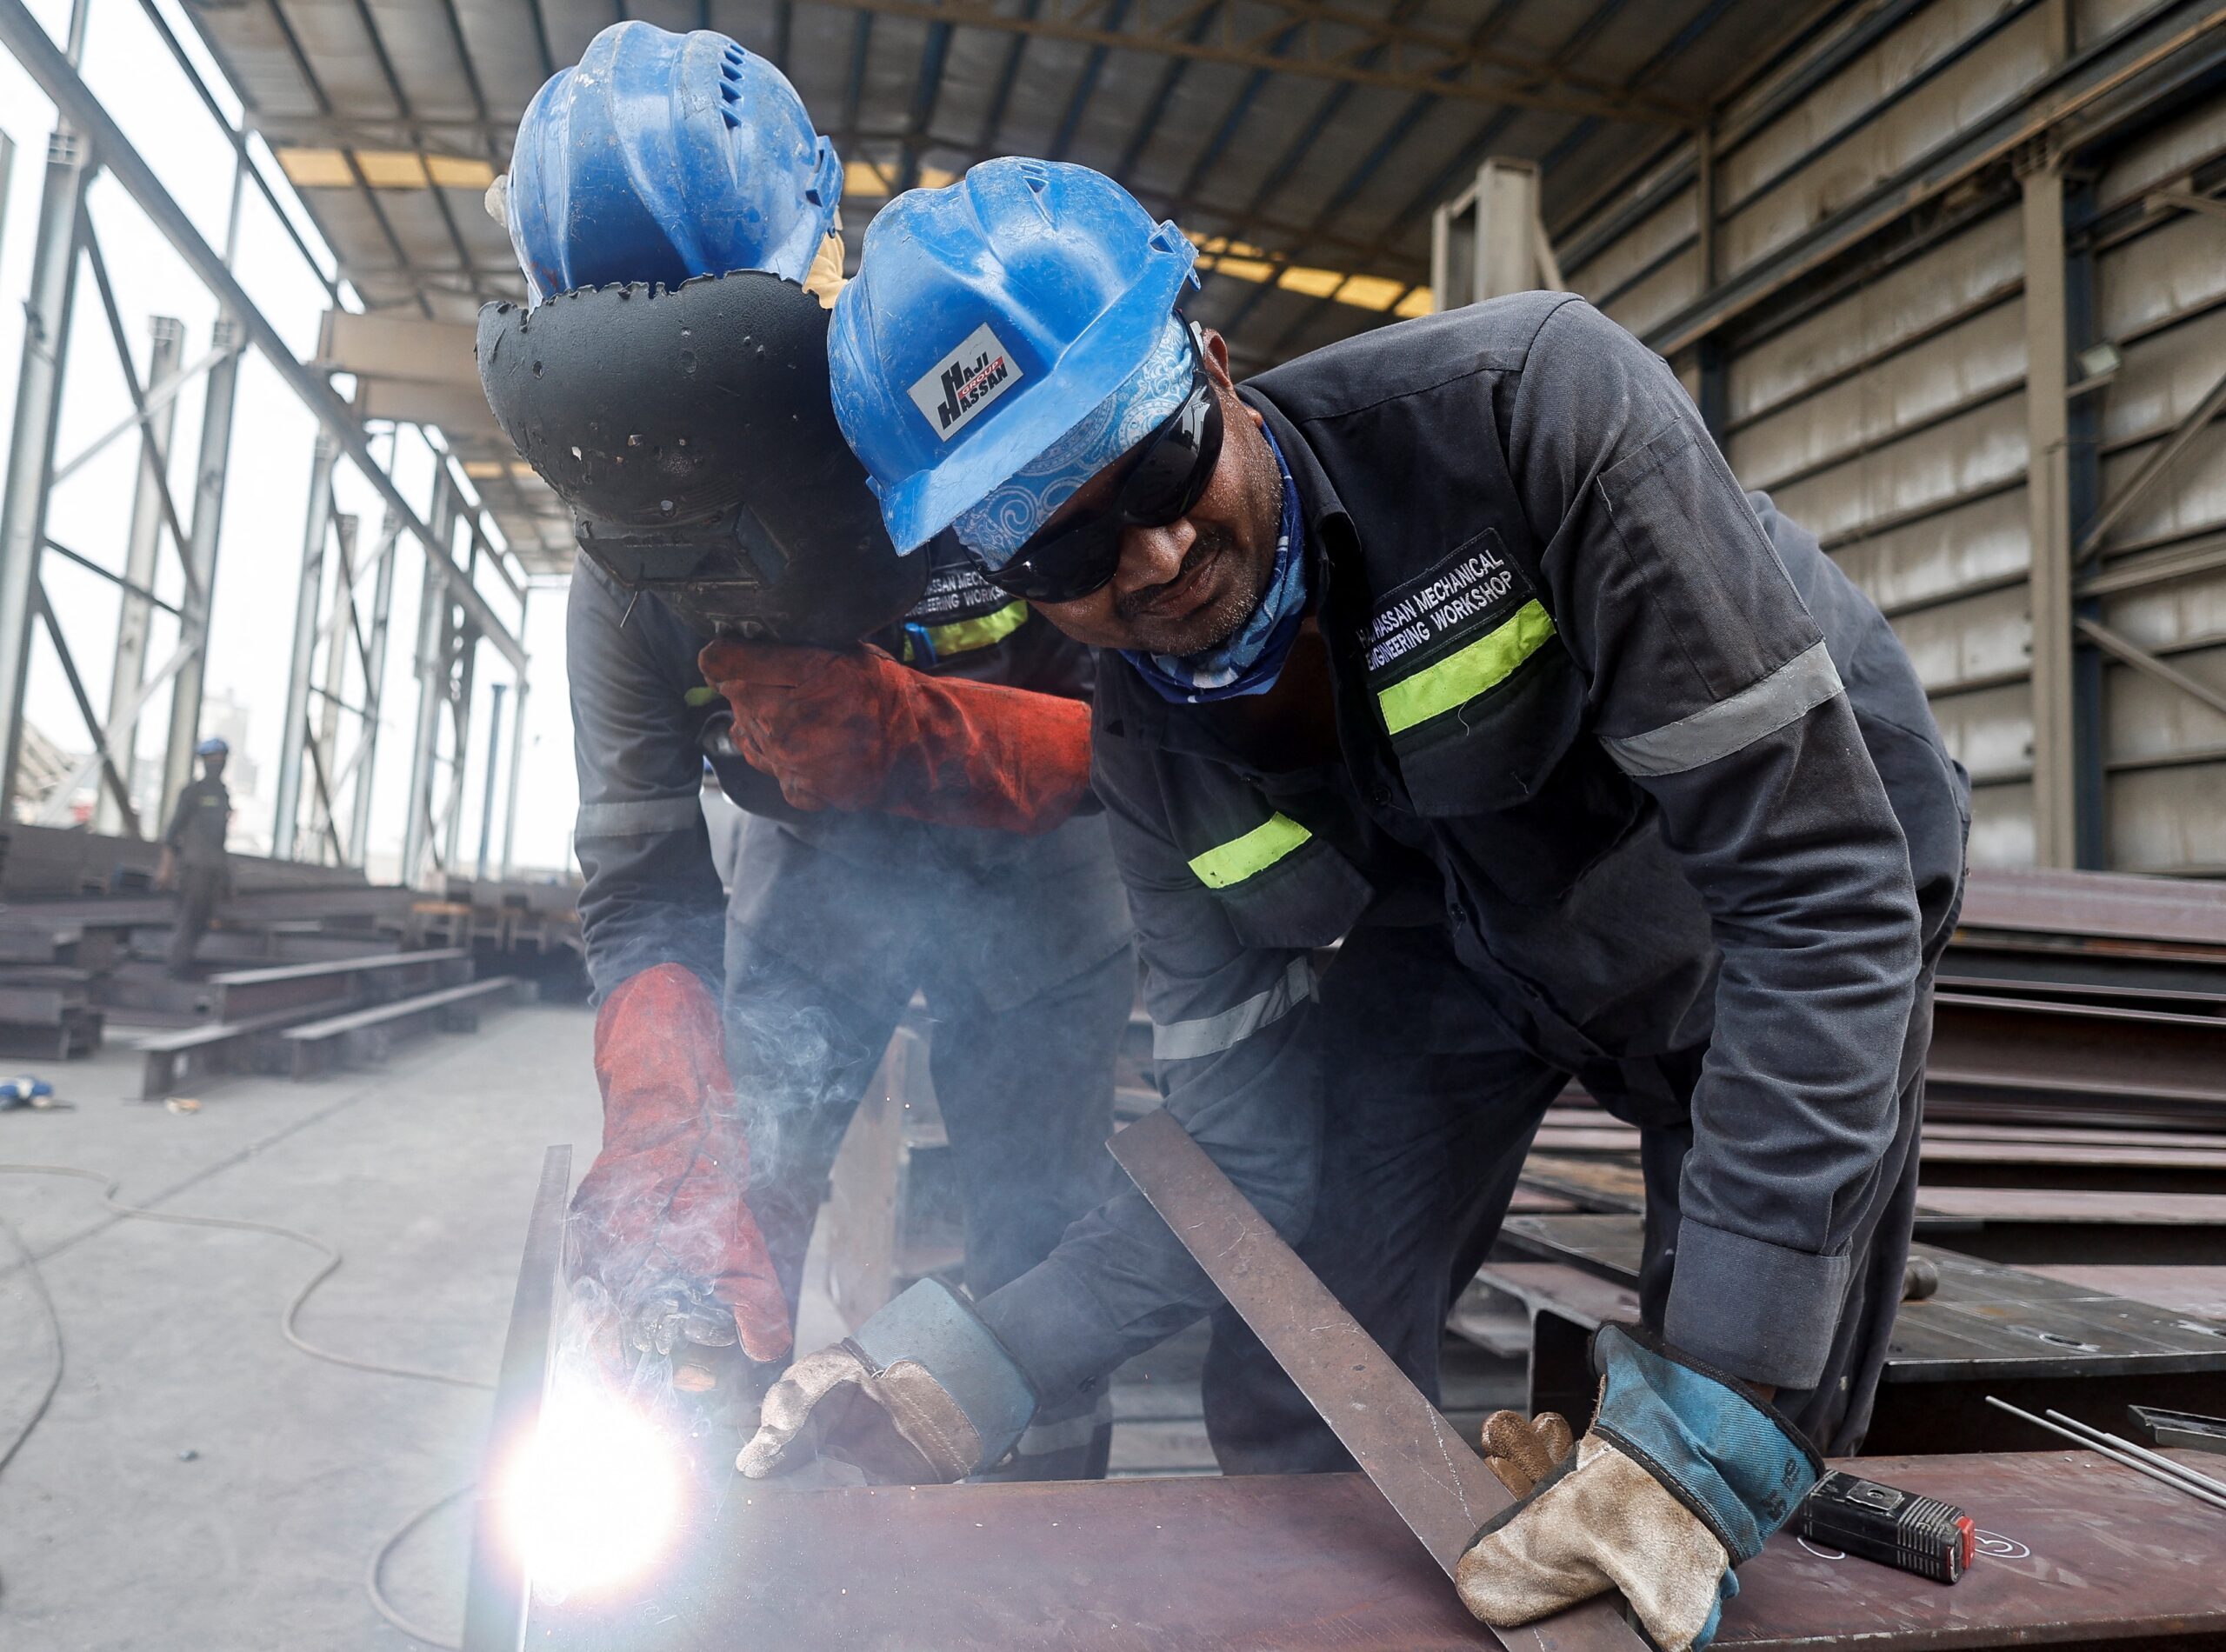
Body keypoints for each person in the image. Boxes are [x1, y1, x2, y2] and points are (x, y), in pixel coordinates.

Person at [739, 159, 1970, 1650]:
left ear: (1213, 368)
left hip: (1767, 878)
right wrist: (969, 1361)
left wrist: (1708, 1417)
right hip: (1469, 926)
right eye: (1065, 549)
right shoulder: (1152, 763)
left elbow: (1814, 898)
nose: (1158, 555)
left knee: (1737, 1407)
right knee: (1293, 1353)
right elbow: (1245, 1159)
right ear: (1003, 576)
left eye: (1161, 464)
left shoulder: (1526, 415)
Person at [483, 28, 1133, 1477]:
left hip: (1046, 902)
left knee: (1041, 1259)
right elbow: (646, 882)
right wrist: (665, 1130)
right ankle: (713, 1499)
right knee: (724, 1228)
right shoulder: (622, 586)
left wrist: (930, 740)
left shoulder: (977, 427)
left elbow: (1158, 745)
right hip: (815, 899)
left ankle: (1051, 1547)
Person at [156, 736, 232, 976]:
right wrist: (166, 867)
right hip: (195, 868)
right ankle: (174, 969)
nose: (216, 762)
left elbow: (220, 840)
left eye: (220, 758)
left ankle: (184, 966)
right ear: (204, 761)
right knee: (189, 919)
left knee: (202, 920)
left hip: (214, 869)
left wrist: (227, 877)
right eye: (212, 758)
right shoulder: (192, 792)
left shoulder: (223, 794)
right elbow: (172, 833)